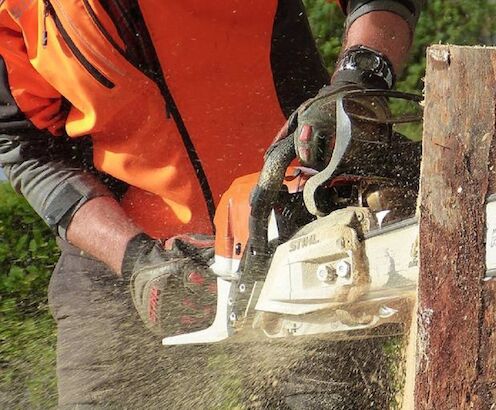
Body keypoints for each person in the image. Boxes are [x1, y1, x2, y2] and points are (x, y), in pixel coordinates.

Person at [0, 0, 422, 408]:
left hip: (298, 218)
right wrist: (134, 258)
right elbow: (24, 147)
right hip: (124, 252)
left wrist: (357, 80)